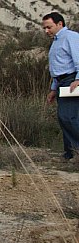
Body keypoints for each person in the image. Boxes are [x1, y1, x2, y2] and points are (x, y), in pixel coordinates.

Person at [43, 12, 79, 160]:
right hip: (61, 82)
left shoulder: (70, 37)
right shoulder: (56, 40)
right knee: (64, 117)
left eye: (49, 27)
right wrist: (53, 88)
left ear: (60, 24)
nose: (46, 31)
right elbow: (58, 68)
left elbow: (78, 58)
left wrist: (78, 79)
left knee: (68, 116)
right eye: (44, 28)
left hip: (71, 80)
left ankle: (75, 152)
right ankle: (70, 153)